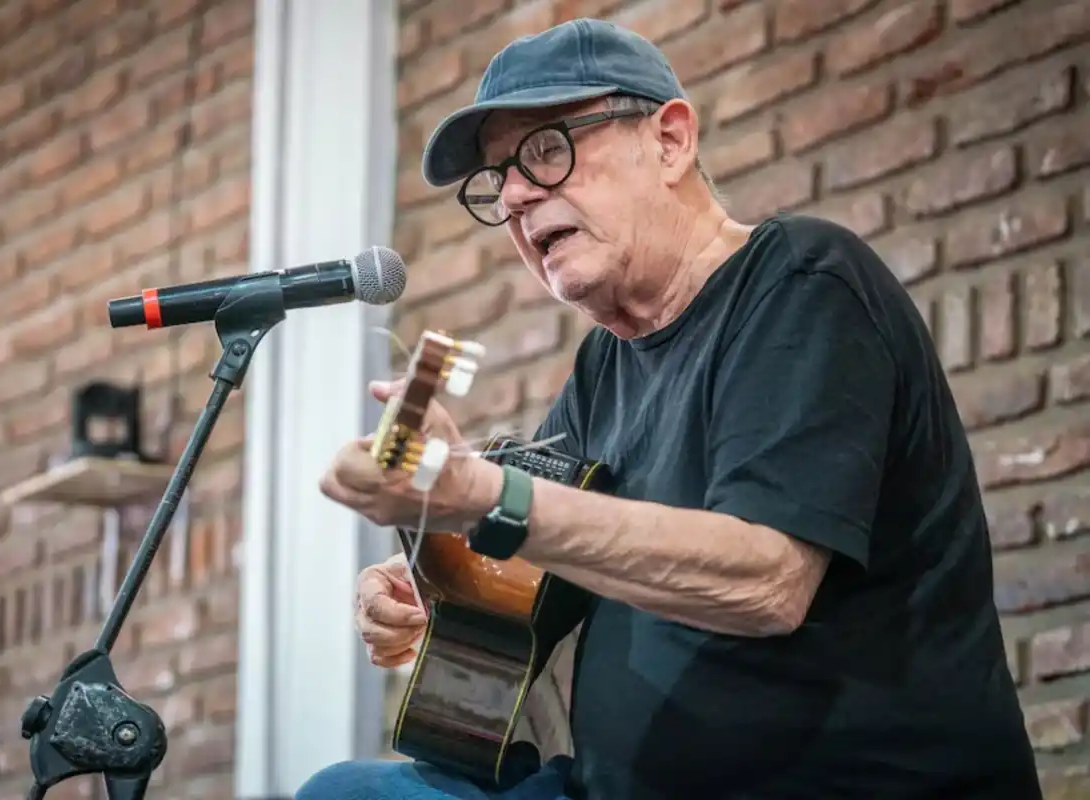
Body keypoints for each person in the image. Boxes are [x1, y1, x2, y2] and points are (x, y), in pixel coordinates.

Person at [301, 17, 1042, 800]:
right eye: (496, 182)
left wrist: (487, 496)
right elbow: (529, 562)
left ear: (671, 141)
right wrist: (431, 570)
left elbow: (769, 581)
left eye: (546, 149)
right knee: (344, 793)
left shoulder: (804, 285)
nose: (515, 195)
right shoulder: (603, 367)